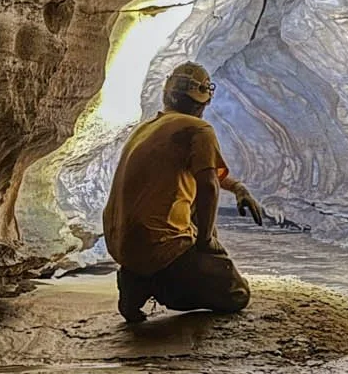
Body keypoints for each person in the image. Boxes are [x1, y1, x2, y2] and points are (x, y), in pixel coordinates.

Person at [102, 62, 265, 323]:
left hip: (124, 248)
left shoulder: (146, 128)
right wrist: (206, 241)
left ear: (167, 94)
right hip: (160, 247)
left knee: (188, 200)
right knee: (238, 294)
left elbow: (207, 170)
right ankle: (160, 284)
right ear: (204, 101)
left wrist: (237, 187)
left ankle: (137, 278)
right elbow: (208, 185)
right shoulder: (198, 129)